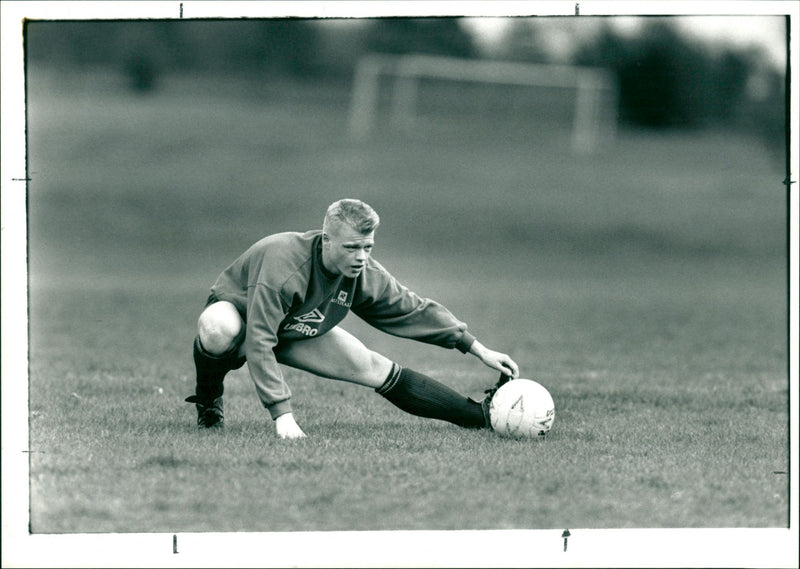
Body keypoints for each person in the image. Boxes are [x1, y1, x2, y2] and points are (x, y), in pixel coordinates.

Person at [185, 199, 519, 438]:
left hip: (295, 325)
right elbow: (259, 341)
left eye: (367, 247)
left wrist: (476, 347)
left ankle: (477, 417)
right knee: (218, 328)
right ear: (325, 240)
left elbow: (411, 309)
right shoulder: (284, 264)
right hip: (243, 315)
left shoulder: (362, 271)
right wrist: (282, 416)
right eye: (351, 248)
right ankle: (209, 399)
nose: (361, 257)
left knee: (374, 367)